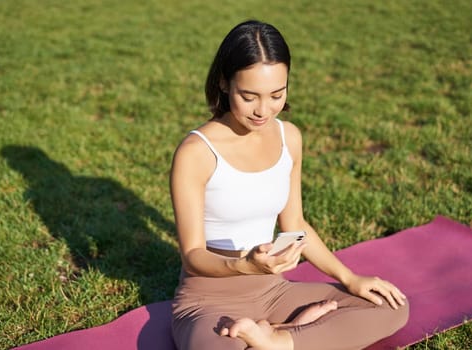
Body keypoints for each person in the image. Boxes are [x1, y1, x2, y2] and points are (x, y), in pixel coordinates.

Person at [169, 20, 409, 350]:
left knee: (390, 305)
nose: (263, 110)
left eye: (276, 95)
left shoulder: (289, 137)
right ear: (224, 83)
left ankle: (279, 339)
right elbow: (192, 255)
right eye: (249, 96)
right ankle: (293, 331)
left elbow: (294, 225)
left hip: (272, 289)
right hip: (209, 299)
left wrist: (349, 279)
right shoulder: (196, 152)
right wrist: (244, 265)